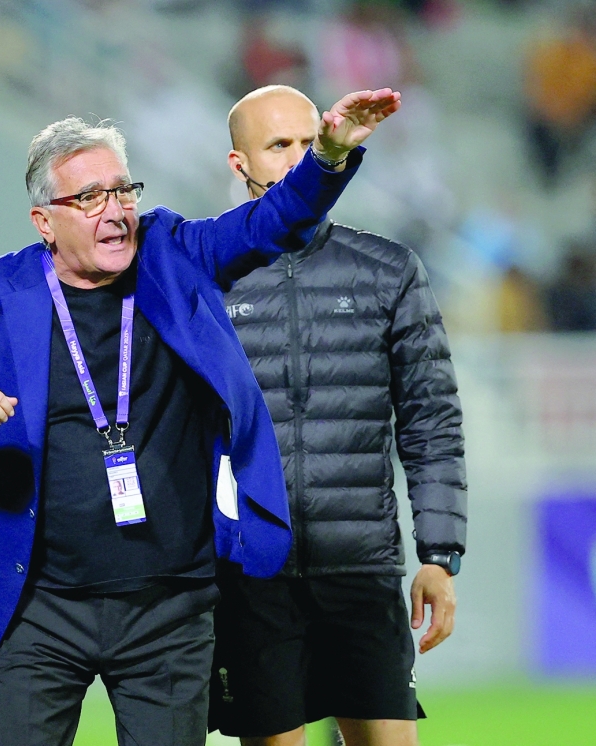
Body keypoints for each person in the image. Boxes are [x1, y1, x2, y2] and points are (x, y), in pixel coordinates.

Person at [0, 89, 400, 746]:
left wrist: (328, 154)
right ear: (43, 220)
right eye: (90, 197)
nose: (116, 210)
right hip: (40, 609)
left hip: (167, 608)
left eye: (124, 191)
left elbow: (273, 221)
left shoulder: (173, 254)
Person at [209, 85, 466, 746]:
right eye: (279, 146)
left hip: (360, 569)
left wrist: (439, 554)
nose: (298, 160)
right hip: (252, 580)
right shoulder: (203, 278)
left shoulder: (388, 271)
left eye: (307, 142)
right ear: (239, 164)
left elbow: (431, 422)